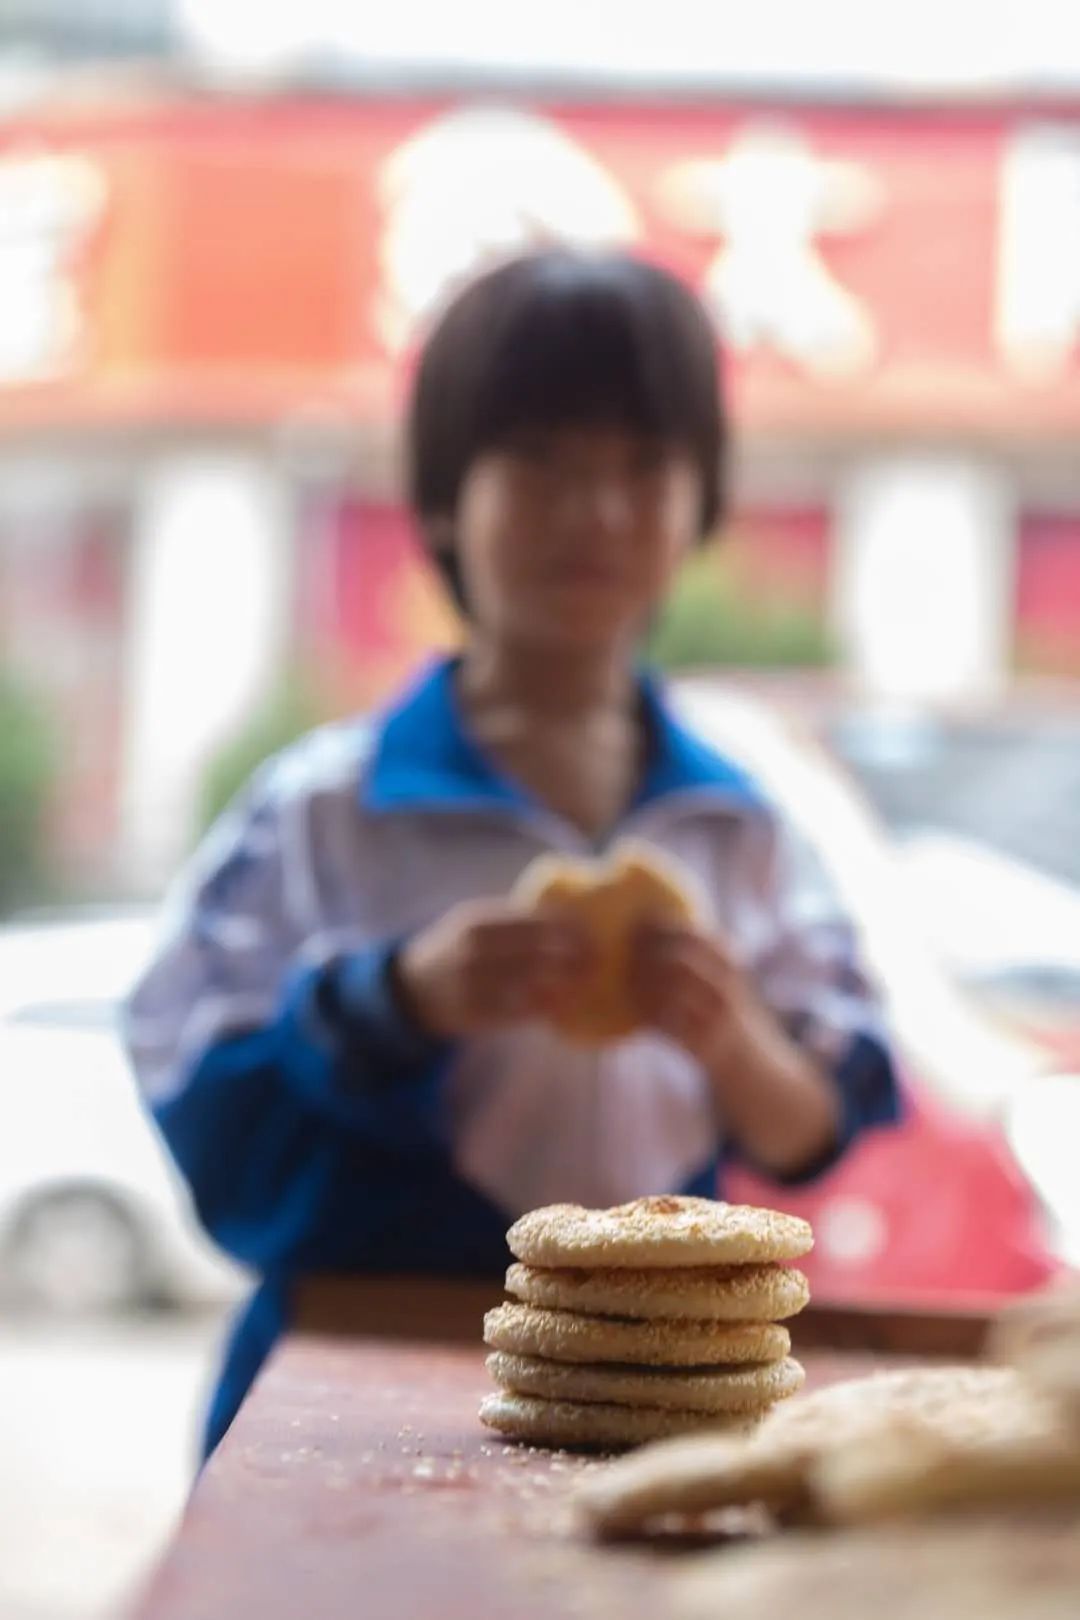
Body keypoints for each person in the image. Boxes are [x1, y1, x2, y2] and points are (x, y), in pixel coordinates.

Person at [123, 250, 900, 1458]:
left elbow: (818, 1128)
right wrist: (395, 1001)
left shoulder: (741, 825)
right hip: (347, 1382)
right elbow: (201, 1106)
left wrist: (733, 1039)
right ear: (442, 498)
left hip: (654, 1398)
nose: (596, 511)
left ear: (699, 503)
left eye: (645, 466)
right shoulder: (328, 809)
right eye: (541, 460)